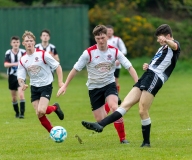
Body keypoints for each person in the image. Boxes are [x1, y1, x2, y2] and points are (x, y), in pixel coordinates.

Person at [81, 24, 181, 147]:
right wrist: (148, 66)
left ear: (168, 36)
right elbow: (159, 62)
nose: (158, 40)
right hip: (147, 75)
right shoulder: (162, 48)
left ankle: (146, 142)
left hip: (155, 78)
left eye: (160, 38)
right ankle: (100, 125)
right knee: (124, 105)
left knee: (142, 110)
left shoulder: (173, 44)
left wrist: (167, 41)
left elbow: (174, 46)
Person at [57, 25, 138, 144]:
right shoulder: (88, 53)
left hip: (109, 84)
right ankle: (104, 114)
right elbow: (75, 69)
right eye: (98, 38)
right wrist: (65, 85)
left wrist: (138, 83)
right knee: (100, 119)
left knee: (115, 108)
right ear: (95, 38)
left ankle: (123, 139)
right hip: (94, 87)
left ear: (107, 37)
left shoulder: (114, 51)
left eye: (103, 37)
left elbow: (129, 66)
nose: (101, 41)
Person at [17, 31, 64, 133]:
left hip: (46, 85)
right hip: (34, 87)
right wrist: (22, 84)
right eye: (27, 41)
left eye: (31, 41)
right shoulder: (23, 59)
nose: (29, 43)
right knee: (39, 114)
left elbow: (57, 66)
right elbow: (20, 76)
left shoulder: (43, 54)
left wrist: (60, 82)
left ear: (34, 42)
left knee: (41, 110)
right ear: (23, 43)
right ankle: (53, 133)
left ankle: (55, 107)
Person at [4, 36, 26, 118]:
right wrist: (15, 64)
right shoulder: (8, 53)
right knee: (14, 97)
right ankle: (17, 112)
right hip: (12, 76)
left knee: (21, 95)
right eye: (14, 42)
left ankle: (22, 114)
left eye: (17, 42)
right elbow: (6, 64)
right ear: (11, 44)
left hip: (21, 76)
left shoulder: (23, 52)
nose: (15, 44)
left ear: (19, 43)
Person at [106, 25, 127, 105]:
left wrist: (119, 59)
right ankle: (108, 96)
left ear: (113, 31)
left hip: (116, 65)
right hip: (106, 66)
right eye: (107, 31)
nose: (109, 32)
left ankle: (115, 96)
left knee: (115, 81)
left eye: (110, 30)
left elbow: (124, 50)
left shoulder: (117, 40)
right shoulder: (103, 40)